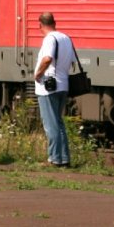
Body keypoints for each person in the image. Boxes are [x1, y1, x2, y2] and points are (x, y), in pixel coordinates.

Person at [34, 12, 75, 167]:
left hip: (48, 87)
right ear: (54, 22)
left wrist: (38, 73)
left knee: (50, 125)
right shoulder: (66, 38)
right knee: (58, 123)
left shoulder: (49, 39)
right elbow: (71, 62)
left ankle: (54, 159)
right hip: (63, 85)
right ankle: (64, 158)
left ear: (40, 25)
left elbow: (47, 58)